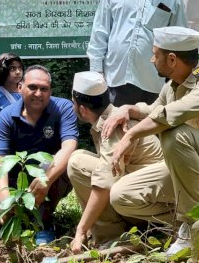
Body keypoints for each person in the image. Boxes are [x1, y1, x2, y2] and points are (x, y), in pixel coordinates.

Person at [102, 26, 199, 256]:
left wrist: (131, 136)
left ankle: (193, 230)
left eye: (155, 54)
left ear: (172, 59)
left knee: (174, 133)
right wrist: (127, 109)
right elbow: (152, 110)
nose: (152, 60)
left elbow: (169, 116)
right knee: (122, 196)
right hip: (198, 175)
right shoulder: (171, 87)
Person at [0, 65, 78, 245]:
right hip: (18, 177)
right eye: (33, 87)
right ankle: (14, 216)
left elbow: (70, 146)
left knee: (62, 164)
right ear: (20, 87)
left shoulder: (63, 108)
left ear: (50, 91)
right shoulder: (6, 116)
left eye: (44, 89)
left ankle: (44, 224)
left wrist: (45, 179)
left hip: (49, 175)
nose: (38, 93)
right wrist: (5, 201)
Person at [66, 71, 165, 254]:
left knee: (77, 163)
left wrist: (80, 231)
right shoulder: (110, 117)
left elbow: (104, 184)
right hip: (146, 197)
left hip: (153, 207)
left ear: (82, 109)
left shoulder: (112, 126)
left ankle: (111, 237)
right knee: (82, 158)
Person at [88, 0, 188, 106]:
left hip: (153, 84)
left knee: (151, 133)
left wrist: (175, 81)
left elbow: (179, 42)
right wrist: (96, 73)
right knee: (113, 131)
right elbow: (100, 32)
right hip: (114, 80)